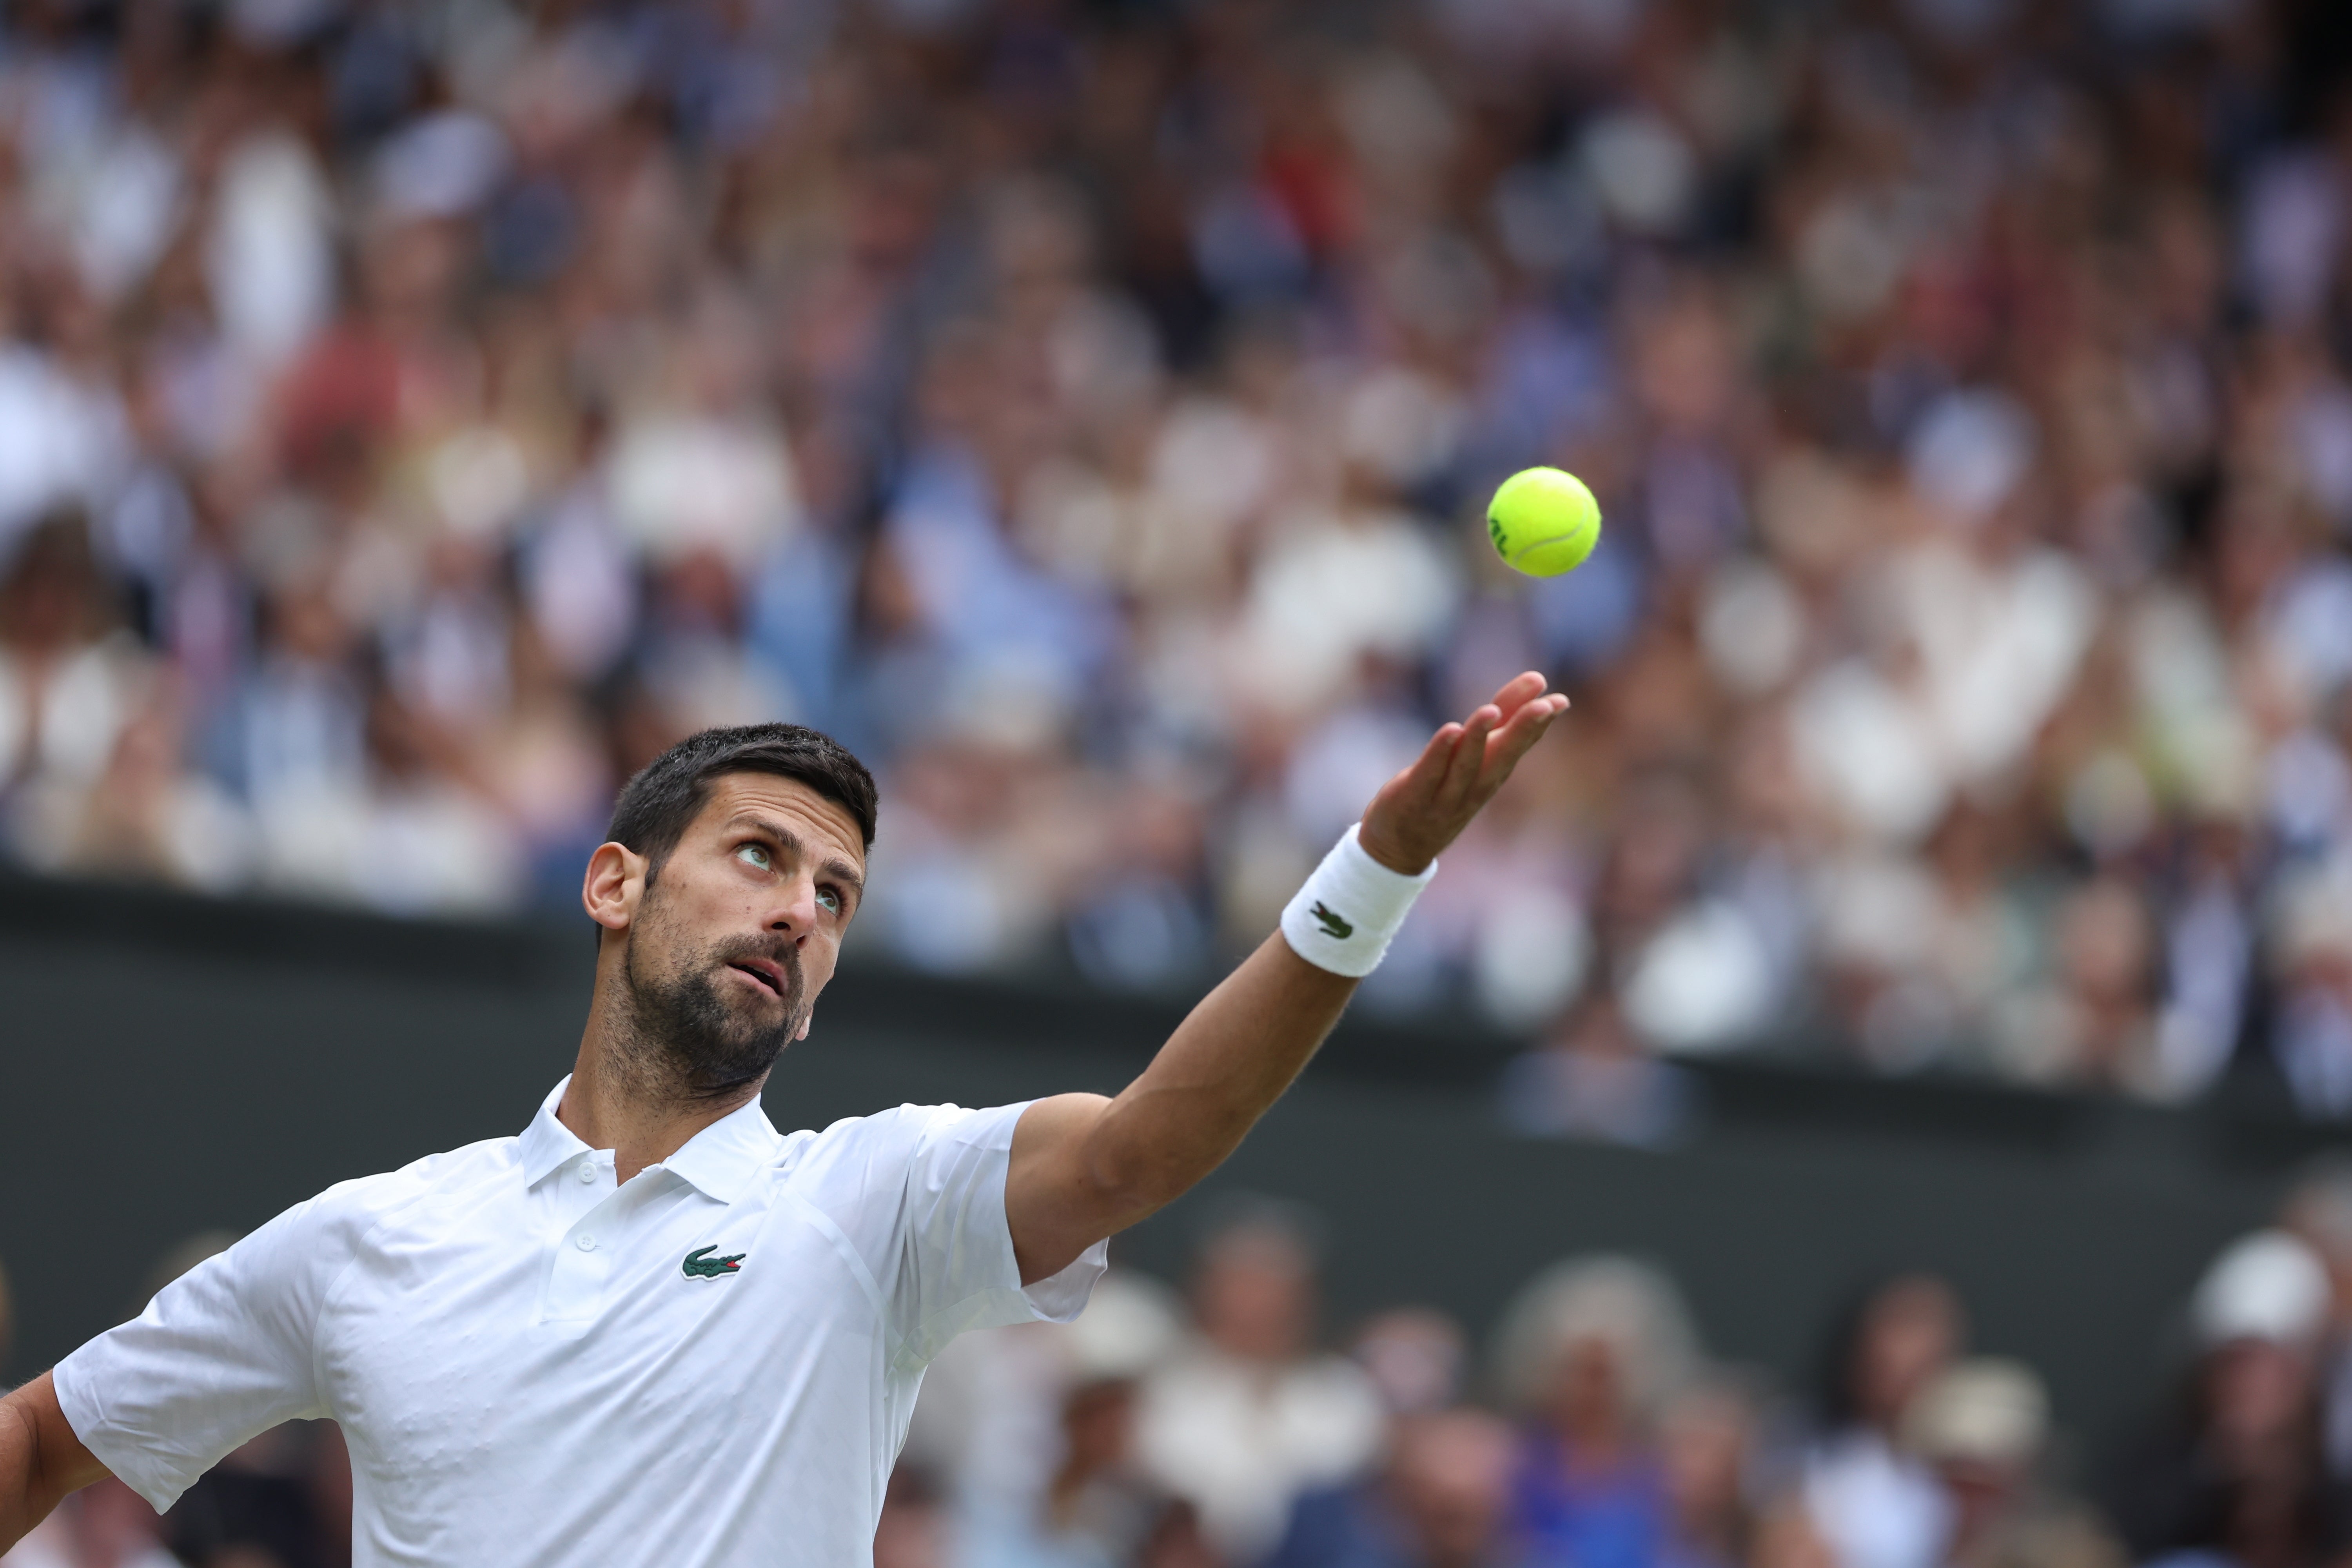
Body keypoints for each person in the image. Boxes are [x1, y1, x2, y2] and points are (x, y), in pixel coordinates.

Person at [0, 675, 1569, 1567]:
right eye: (757, 856)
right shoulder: (367, 1239)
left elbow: (1149, 1141)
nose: (801, 910)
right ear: (614, 882)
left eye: (835, 895)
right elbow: (39, 1440)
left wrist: (1374, 871)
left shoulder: (870, 1204)